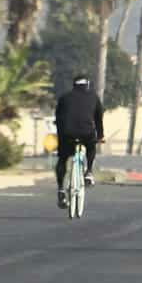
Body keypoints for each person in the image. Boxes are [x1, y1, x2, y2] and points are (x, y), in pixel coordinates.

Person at [52, 75, 104, 208]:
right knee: (91, 147)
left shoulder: (64, 97)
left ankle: (61, 190)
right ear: (87, 85)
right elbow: (98, 119)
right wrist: (101, 136)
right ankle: (89, 172)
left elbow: (58, 118)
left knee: (62, 159)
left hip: (67, 134)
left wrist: (60, 136)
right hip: (87, 133)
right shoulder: (94, 97)